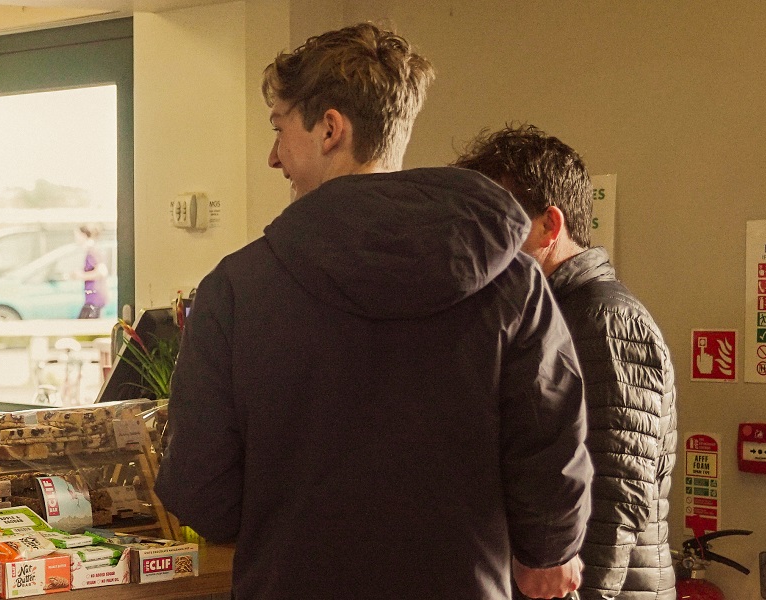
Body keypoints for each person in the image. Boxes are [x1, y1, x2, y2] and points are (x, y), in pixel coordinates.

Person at [154, 23, 593, 600]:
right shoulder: (513, 281)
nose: (272, 156)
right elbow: (548, 444)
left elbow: (201, 488)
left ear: (330, 128)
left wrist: (287, 518)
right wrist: (547, 550)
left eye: (280, 128)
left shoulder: (236, 290)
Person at [454, 125, 679, 600]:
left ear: (549, 227)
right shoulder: (544, 316)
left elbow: (610, 500)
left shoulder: (604, 319)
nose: (480, 242)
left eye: (496, 225)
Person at [74, 223, 106, 319]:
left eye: (77, 235)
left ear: (84, 235)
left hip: (94, 298)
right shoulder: (91, 250)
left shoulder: (92, 252)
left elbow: (102, 272)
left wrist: (81, 275)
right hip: (92, 298)